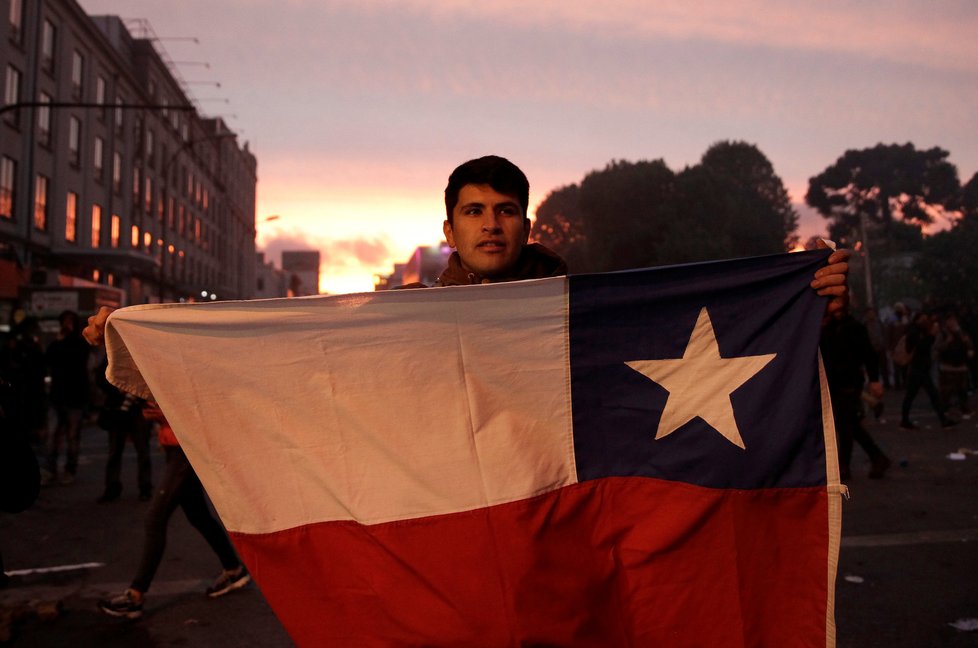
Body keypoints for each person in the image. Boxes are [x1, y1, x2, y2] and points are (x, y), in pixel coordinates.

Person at [97, 403, 250, 619]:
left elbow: (195, 401)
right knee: (198, 515)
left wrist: (165, 411)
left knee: (155, 519)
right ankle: (233, 569)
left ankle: (136, 595)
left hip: (185, 447)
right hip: (177, 444)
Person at [820, 307, 890, 479]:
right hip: (834, 382)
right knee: (850, 424)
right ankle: (875, 457)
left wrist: (874, 380)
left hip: (848, 382)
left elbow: (868, 354)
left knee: (846, 425)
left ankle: (845, 466)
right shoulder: (827, 327)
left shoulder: (853, 327)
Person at [95, 357, 153, 503]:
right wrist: (116, 388)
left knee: (142, 451)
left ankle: (145, 487)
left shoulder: (137, 352)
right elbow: (100, 377)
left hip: (136, 408)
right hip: (118, 409)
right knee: (116, 451)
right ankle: (113, 488)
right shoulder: (113, 353)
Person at [44, 310, 91, 485]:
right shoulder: (57, 343)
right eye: (64, 321)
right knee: (52, 436)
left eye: (70, 322)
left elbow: (80, 359)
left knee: (72, 437)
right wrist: (59, 340)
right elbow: (48, 360)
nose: (67, 325)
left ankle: (70, 469)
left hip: (75, 397)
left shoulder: (80, 343)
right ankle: (50, 469)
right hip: (57, 397)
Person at [900, 312, 956, 430]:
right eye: (923, 319)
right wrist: (931, 336)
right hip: (917, 368)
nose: (925, 321)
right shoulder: (914, 332)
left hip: (923, 368)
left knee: (930, 394)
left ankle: (942, 419)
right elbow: (921, 347)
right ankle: (905, 420)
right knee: (914, 395)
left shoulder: (922, 331)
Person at [936, 313, 973, 419]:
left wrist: (968, 346)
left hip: (961, 366)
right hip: (947, 366)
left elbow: (969, 345)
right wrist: (947, 342)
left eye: (954, 321)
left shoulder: (962, 333)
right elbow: (937, 348)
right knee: (946, 391)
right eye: (950, 321)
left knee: (962, 389)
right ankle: (944, 409)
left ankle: (964, 409)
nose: (952, 323)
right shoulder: (942, 334)